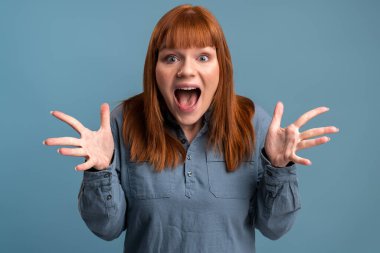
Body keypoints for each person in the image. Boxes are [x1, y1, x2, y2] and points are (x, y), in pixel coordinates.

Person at [43, 4, 339, 253]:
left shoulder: (254, 123)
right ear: (154, 69)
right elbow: (106, 228)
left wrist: (280, 168)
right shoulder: (124, 122)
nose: (186, 70)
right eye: (171, 57)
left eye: (203, 57)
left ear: (220, 67)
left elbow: (275, 228)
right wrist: (100, 171)